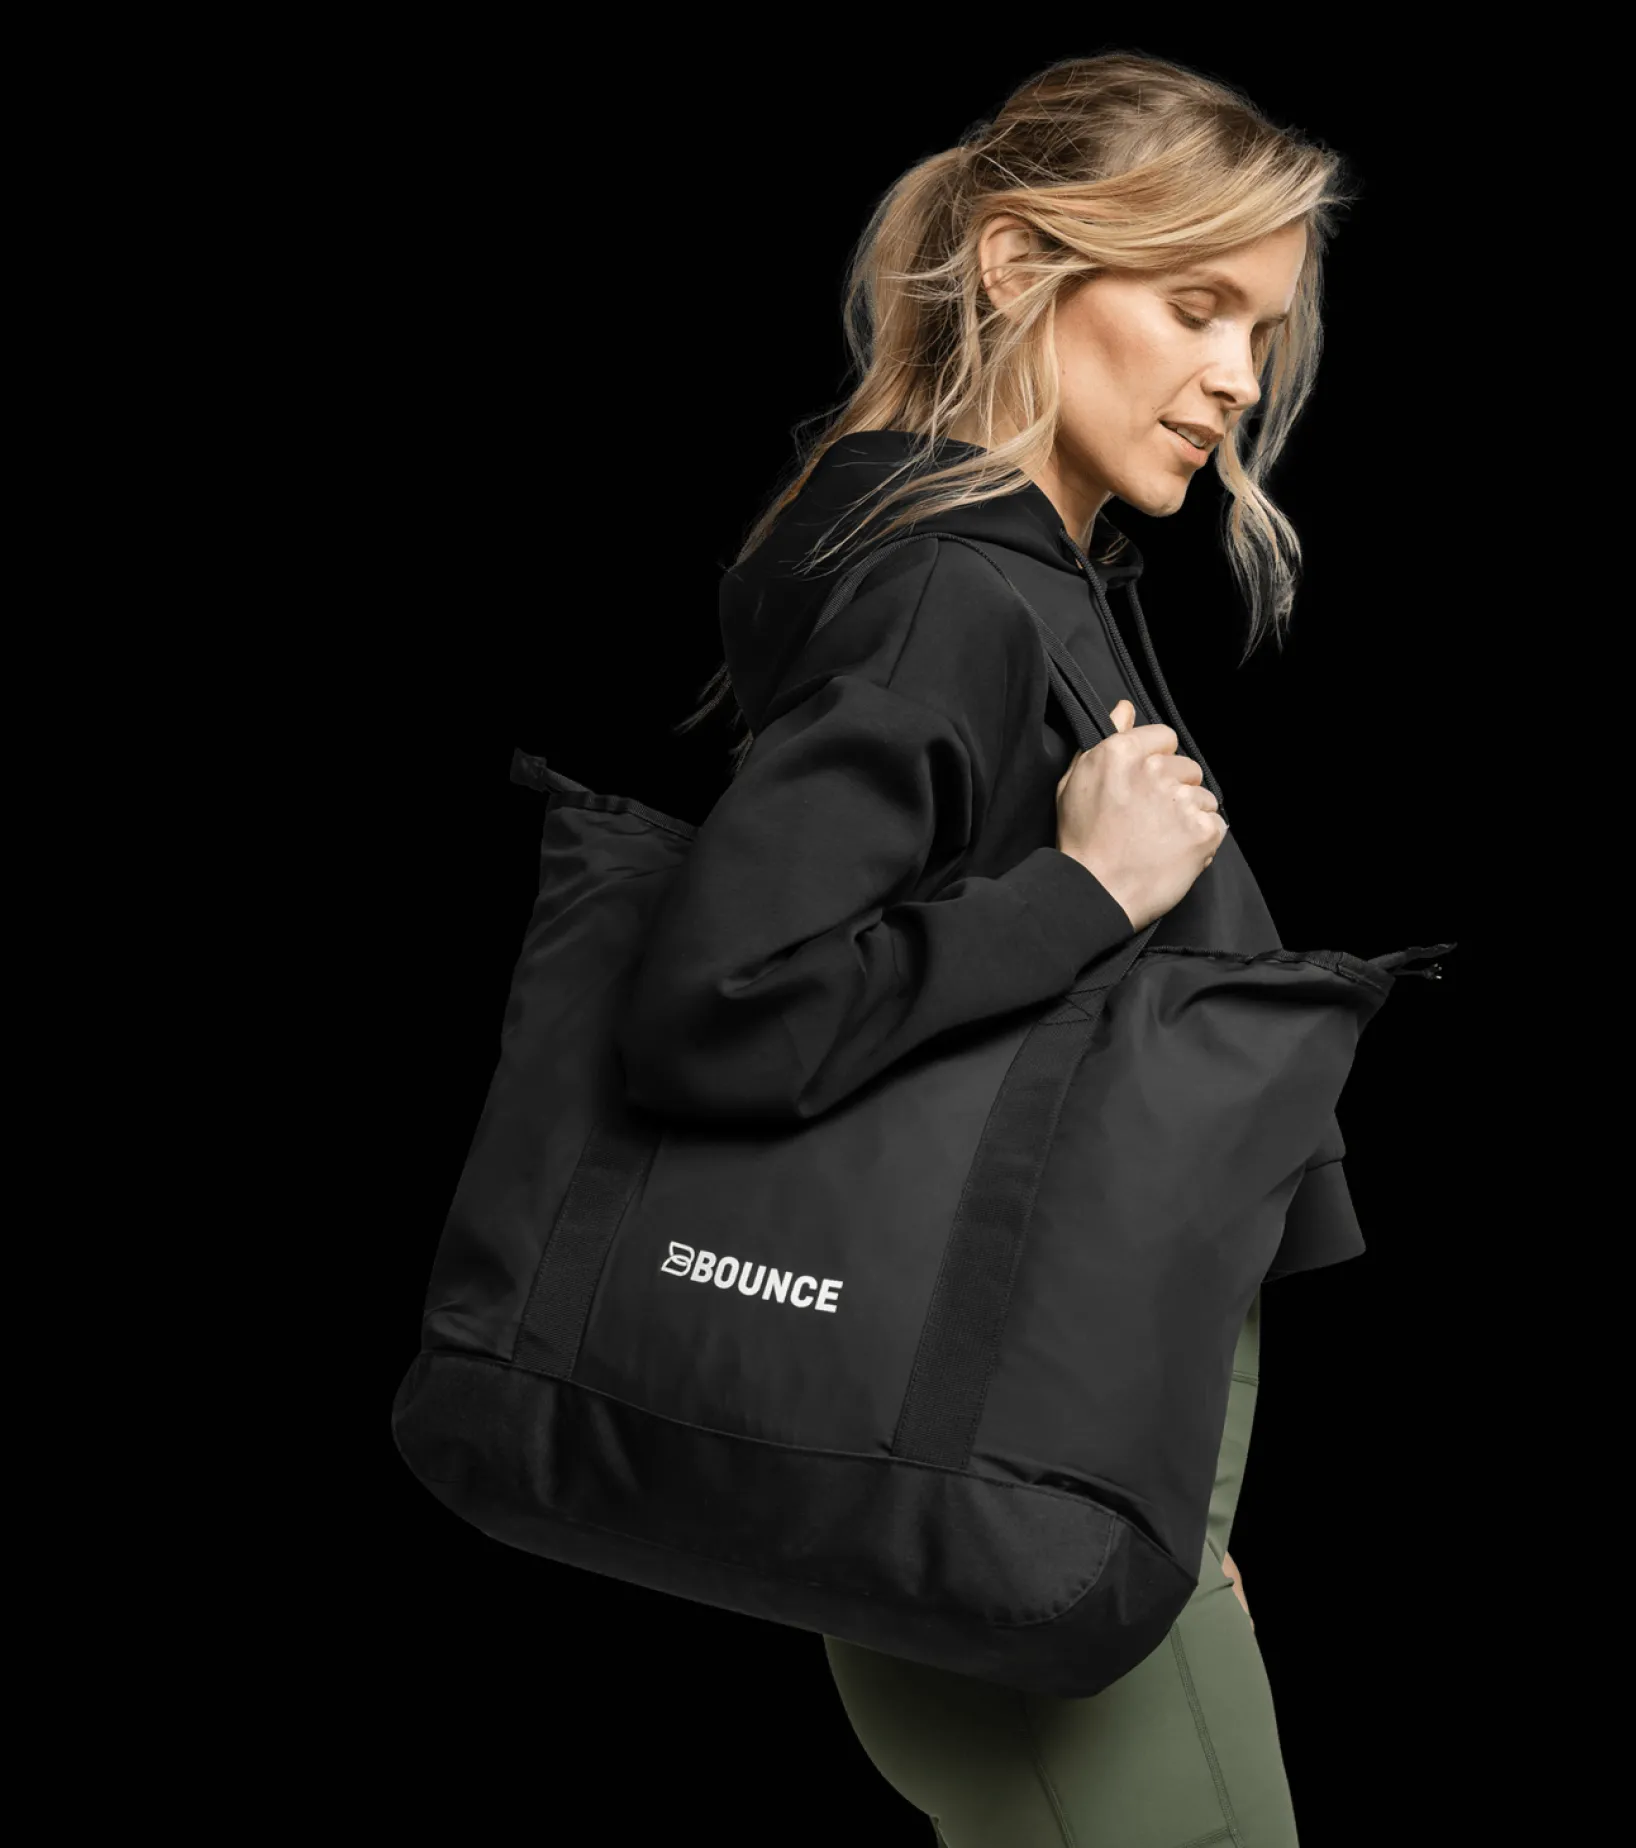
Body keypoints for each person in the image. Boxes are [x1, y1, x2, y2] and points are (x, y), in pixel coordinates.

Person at [620, 48, 1363, 1848]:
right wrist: (1085, 894)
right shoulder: (949, 588)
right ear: (1023, 264)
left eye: (1261, 332)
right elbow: (720, 1013)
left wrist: (1173, 1494)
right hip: (1006, 1482)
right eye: (1196, 307)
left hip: (1070, 1471)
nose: (1236, 380)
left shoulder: (1030, 580)